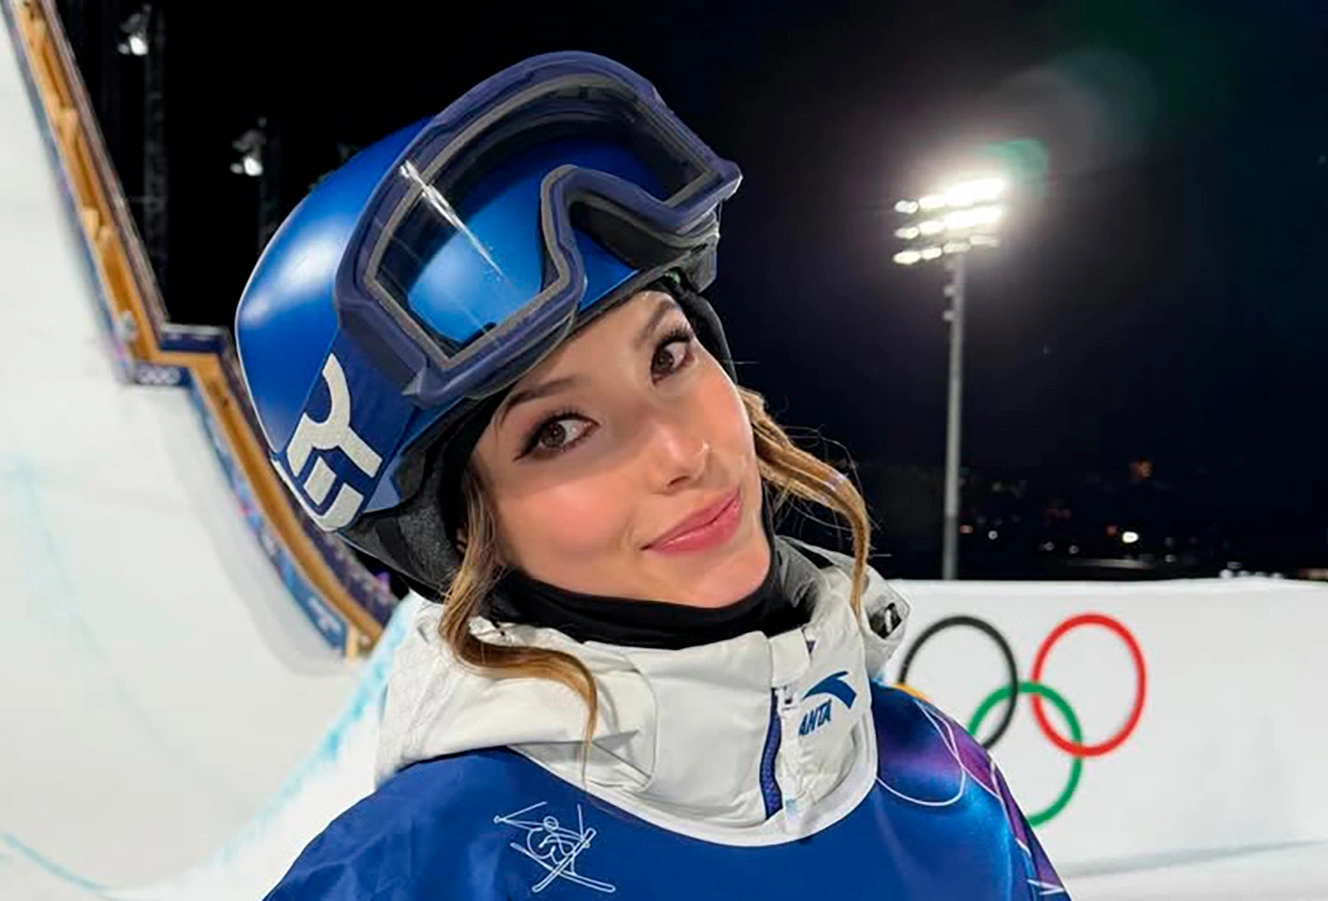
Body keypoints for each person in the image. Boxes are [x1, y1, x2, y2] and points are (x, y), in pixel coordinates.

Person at [235, 51, 1069, 900]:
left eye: (669, 355)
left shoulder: (946, 783)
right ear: (459, 535)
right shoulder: (410, 873)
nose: (681, 452)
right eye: (559, 431)